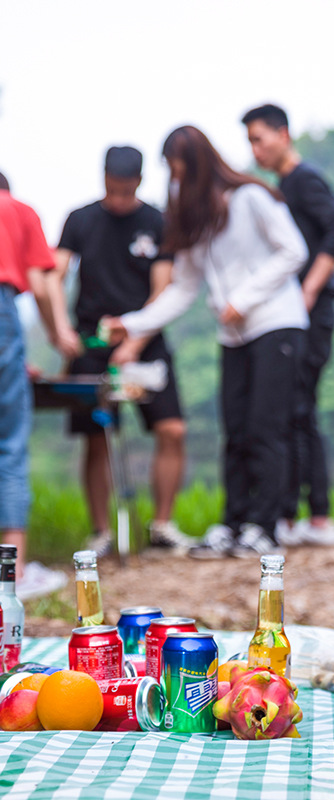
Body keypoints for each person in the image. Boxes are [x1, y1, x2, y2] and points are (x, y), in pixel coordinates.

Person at [105, 125, 309, 559]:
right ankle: (234, 522)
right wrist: (133, 323)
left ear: (198, 165)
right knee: (235, 426)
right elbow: (182, 288)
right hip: (233, 334)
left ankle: (264, 526)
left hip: (276, 323)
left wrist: (243, 298)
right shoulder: (197, 221)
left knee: (265, 426)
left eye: (179, 171)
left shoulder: (251, 197)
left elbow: (293, 251)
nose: (176, 182)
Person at [54, 146, 191, 557]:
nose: (117, 198)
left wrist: (135, 341)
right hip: (91, 345)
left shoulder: (158, 222)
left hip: (145, 343)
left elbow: (163, 288)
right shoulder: (80, 220)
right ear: (103, 179)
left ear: (139, 182)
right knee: (96, 438)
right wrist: (60, 329)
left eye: (125, 191)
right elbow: (54, 274)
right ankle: (101, 533)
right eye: (112, 190)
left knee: (172, 430)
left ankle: (162, 526)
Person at [242, 103, 334, 546]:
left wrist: (308, 290)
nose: (254, 149)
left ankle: (319, 518)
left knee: (301, 409)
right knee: (293, 409)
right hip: (300, 313)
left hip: (313, 311)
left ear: (283, 135)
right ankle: (293, 516)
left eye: (259, 138)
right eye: (249, 141)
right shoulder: (284, 185)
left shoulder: (303, 180)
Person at [0, 170, 68, 594]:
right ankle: (13, 572)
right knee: (9, 441)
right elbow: (42, 285)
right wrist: (60, 335)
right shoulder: (16, 210)